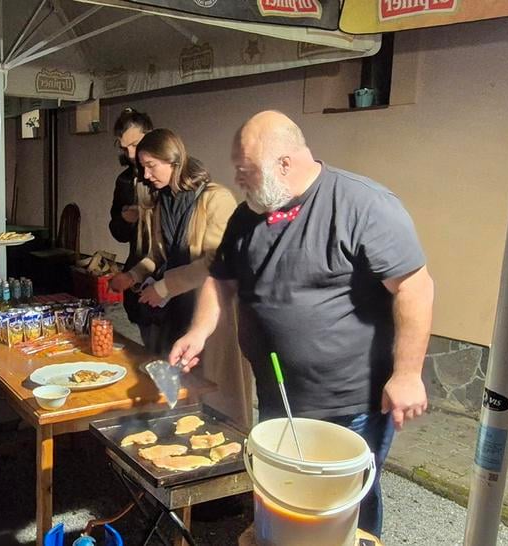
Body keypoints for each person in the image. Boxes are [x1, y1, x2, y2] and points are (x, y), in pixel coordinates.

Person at [170, 110, 434, 537]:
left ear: (285, 163)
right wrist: (199, 331)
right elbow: (220, 283)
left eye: (245, 170)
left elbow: (415, 288)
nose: (238, 180)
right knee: (288, 498)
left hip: (352, 402)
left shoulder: (362, 204)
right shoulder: (247, 216)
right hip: (279, 397)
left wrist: (407, 374)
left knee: (344, 505)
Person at [109, 128, 253, 429]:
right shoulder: (164, 202)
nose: (147, 175)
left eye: (152, 166)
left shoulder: (216, 199)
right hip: (176, 309)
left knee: (215, 393)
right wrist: (132, 275)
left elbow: (216, 261)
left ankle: (226, 451)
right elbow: (158, 255)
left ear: (174, 160)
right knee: (177, 387)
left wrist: (163, 287)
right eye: (143, 167)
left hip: (211, 312)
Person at [108, 108, 157, 343]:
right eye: (124, 147)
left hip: (170, 277)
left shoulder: (168, 178)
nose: (130, 154)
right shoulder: (125, 180)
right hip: (137, 269)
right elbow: (116, 230)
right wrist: (125, 219)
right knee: (148, 347)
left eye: (135, 145)